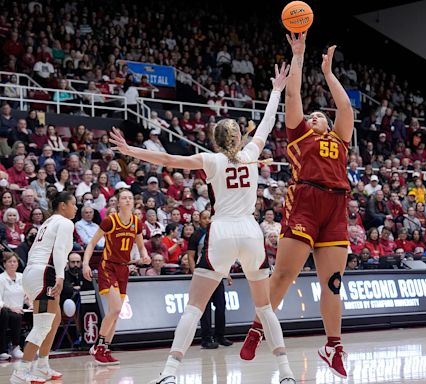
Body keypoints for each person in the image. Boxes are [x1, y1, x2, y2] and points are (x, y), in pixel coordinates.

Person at [109, 63, 296, 384]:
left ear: (215, 139)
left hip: (222, 232)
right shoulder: (251, 153)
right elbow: (266, 125)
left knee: (194, 308)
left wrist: (130, 150)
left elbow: (167, 159)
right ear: (237, 137)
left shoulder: (210, 160)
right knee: (264, 308)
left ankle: (169, 373)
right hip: (251, 233)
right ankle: (287, 373)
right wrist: (277, 90)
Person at [240, 33, 353, 379]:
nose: (317, 116)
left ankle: (332, 346)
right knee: (285, 276)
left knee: (333, 283)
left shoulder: (339, 138)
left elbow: (345, 108)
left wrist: (329, 72)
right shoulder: (299, 134)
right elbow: (293, 94)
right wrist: (299, 54)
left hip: (336, 205)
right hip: (305, 200)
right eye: (313, 114)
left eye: (321, 115)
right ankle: (257, 329)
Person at [10, 191, 77, 383]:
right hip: (45, 272)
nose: (76, 208)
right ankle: (21, 371)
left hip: (33, 272)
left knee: (54, 321)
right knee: (43, 325)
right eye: (73, 204)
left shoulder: (47, 223)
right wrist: (59, 276)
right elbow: (58, 250)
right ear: (63, 205)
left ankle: (42, 365)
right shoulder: (65, 222)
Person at [82, 189, 151, 365]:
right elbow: (91, 243)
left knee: (117, 312)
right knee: (114, 309)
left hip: (124, 269)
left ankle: (105, 348)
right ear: (118, 203)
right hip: (108, 267)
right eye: (124, 198)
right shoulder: (109, 221)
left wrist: (145, 256)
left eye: (130, 198)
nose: (128, 201)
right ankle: (97, 346)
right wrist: (85, 264)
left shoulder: (137, 222)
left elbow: (141, 246)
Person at [188, 225, 234, 349]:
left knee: (221, 306)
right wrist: (194, 274)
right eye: (204, 217)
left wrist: (227, 273)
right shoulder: (197, 235)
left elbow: (222, 257)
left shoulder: (219, 236)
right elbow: (190, 256)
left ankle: (220, 336)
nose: (208, 220)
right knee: (205, 309)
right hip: (203, 274)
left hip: (218, 274)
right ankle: (206, 338)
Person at [0, 254, 26, 360]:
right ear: (4, 264)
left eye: (15, 261)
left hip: (21, 308)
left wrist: (31, 304)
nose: (12, 264)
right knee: (15, 316)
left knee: (39, 312)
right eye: (10, 262)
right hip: (6, 309)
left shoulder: (22, 277)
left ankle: (34, 346)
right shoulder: (1, 278)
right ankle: (14, 347)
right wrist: (11, 308)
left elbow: (26, 295)